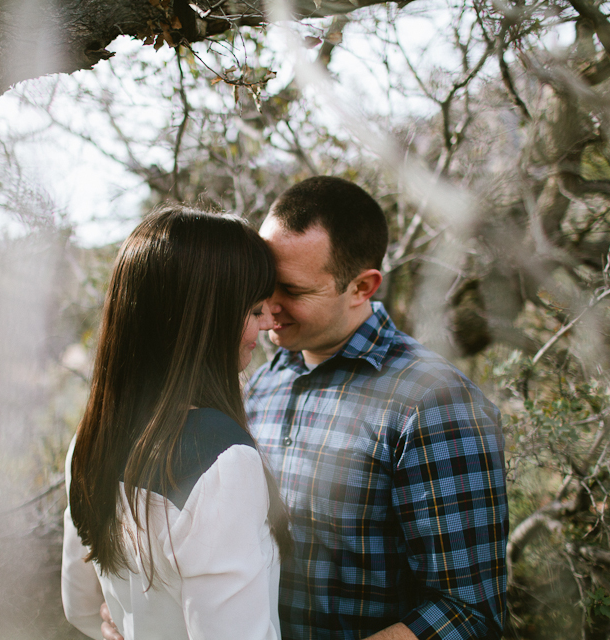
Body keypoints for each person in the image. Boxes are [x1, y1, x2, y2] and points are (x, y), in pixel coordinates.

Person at [98, 178, 508, 640]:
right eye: (262, 286)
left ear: (362, 286)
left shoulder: (433, 403)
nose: (268, 309)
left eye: (291, 290)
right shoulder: (259, 380)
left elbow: (468, 610)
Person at [61, 205, 292, 640]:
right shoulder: (222, 463)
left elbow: (81, 610)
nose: (264, 324)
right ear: (208, 320)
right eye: (254, 307)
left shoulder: (89, 440)